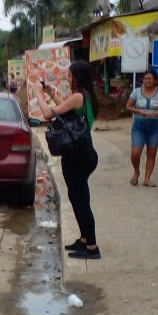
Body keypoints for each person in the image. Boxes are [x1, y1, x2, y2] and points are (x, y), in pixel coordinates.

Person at [32, 60, 101, 260]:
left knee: (82, 202)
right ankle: (84, 239)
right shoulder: (83, 95)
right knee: (75, 198)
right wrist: (51, 93)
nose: (67, 78)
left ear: (78, 77)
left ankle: (92, 247)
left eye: (70, 75)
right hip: (81, 154)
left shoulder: (78, 96)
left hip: (78, 157)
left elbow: (48, 114)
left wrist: (38, 93)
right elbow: (65, 107)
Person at [126, 69, 158, 187]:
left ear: (155, 80)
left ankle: (147, 179)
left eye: (150, 78)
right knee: (135, 152)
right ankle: (136, 172)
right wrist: (138, 111)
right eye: (145, 78)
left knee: (151, 153)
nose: (147, 80)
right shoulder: (136, 92)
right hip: (139, 126)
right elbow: (128, 106)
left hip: (155, 127)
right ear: (142, 80)